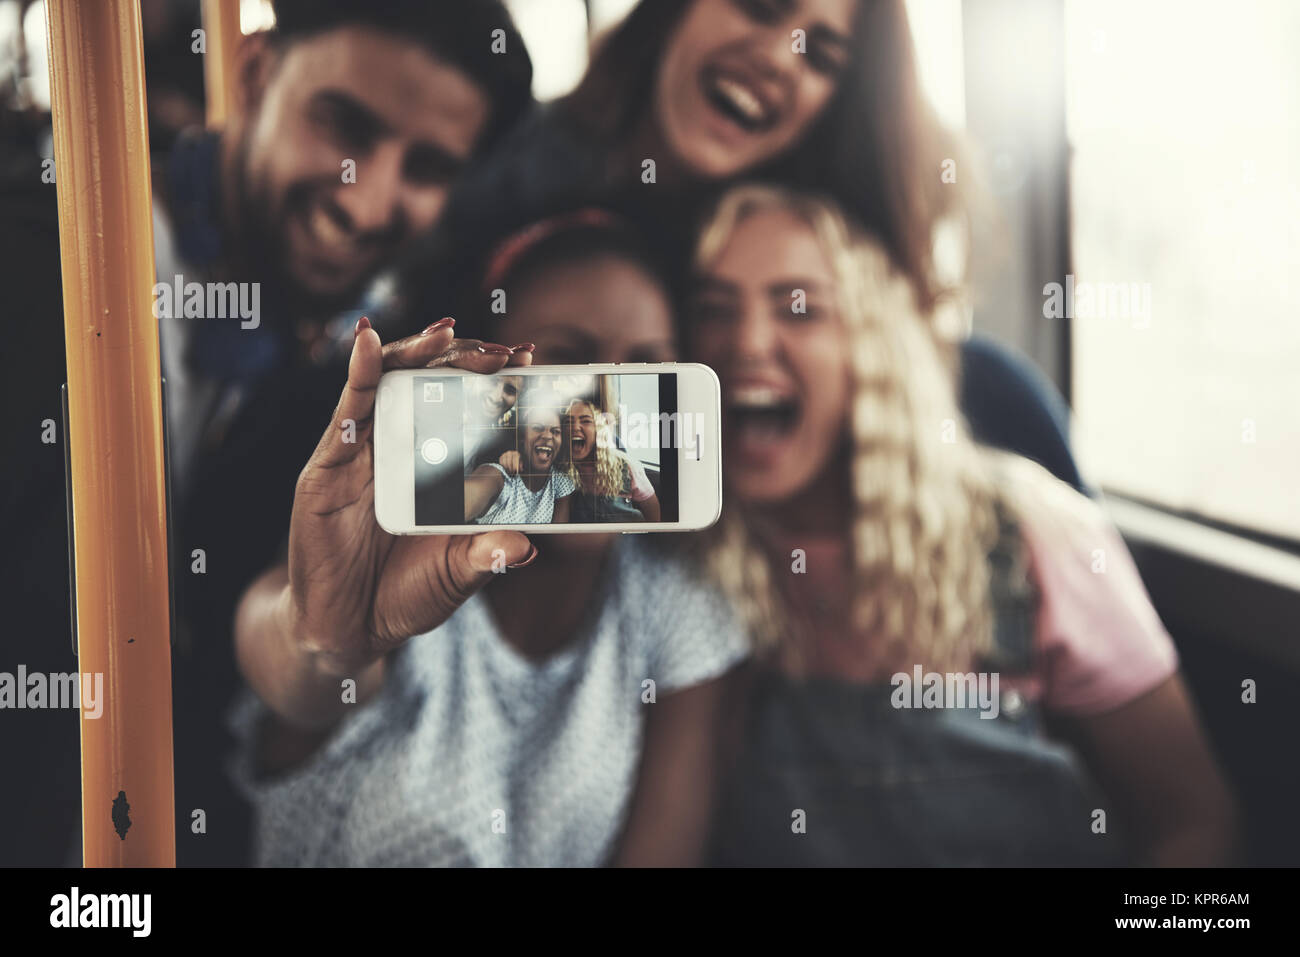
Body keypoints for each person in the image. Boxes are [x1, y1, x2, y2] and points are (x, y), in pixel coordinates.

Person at [685, 184, 1237, 866]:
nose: (745, 341)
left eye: (799, 308)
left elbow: (1193, 822)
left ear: (874, 342)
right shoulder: (687, 562)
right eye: (714, 309)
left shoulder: (1028, 533)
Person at [228, 215, 748, 866]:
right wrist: (325, 640)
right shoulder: (388, 544)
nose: (601, 419)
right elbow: (285, 650)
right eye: (567, 363)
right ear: (486, 376)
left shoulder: (670, 604)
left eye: (642, 369)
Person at [403, 0, 1082, 494]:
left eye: (821, 56)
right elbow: (426, 444)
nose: (777, 59)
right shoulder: (502, 171)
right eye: (759, 7)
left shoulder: (802, 249)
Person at [156, 0, 534, 866]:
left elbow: (275, 625)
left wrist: (325, 643)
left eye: (428, 167)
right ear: (254, 76)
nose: (369, 205)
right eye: (345, 127)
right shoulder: (51, 264)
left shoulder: (344, 362)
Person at [467, 395, 576, 524]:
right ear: (522, 437)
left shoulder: (560, 482)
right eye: (537, 428)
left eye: (555, 431)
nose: (548, 436)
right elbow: (464, 500)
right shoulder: (499, 474)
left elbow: (559, 538)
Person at [566, 398, 662, 524]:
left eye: (586, 421)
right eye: (568, 421)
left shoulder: (626, 465)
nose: (575, 427)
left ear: (599, 430)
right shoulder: (562, 470)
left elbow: (653, 514)